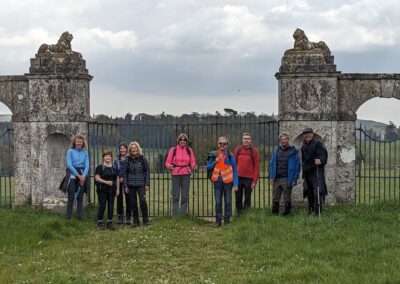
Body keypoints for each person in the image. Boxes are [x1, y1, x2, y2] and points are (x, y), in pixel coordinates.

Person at [207, 136, 238, 227]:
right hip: (217, 182)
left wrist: (236, 183)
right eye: (220, 143)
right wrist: (214, 162)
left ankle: (227, 220)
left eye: (224, 143)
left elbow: (235, 170)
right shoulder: (214, 154)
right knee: (218, 202)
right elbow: (208, 167)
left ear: (227, 145)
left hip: (228, 182)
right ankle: (218, 221)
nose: (222, 145)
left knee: (228, 202)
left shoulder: (230, 155)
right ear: (218, 144)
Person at [165, 133, 197, 216]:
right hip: (175, 173)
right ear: (178, 140)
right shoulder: (173, 150)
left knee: (185, 195)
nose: (182, 141)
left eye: (184, 140)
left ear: (186, 141)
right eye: (181, 139)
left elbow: (192, 161)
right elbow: (167, 162)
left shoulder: (189, 150)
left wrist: (193, 166)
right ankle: (175, 214)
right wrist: (169, 166)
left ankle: (182, 214)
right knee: (175, 195)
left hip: (186, 173)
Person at [269, 134, 301, 215]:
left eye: (285, 139)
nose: (283, 141)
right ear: (280, 141)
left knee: (287, 198)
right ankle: (274, 213)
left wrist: (294, 179)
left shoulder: (293, 152)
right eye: (282, 139)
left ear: (288, 140)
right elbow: (271, 164)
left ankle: (287, 213)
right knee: (275, 197)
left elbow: (297, 167)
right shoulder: (276, 151)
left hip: (287, 178)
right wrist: (271, 176)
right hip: (276, 178)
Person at [301, 128, 328, 215]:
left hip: (316, 172)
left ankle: (317, 212)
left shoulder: (317, 144)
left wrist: (320, 160)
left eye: (309, 133)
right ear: (303, 136)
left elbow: (323, 154)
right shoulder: (303, 146)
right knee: (309, 192)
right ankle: (311, 210)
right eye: (305, 134)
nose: (307, 135)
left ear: (312, 134)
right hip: (307, 173)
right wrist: (303, 173)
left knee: (317, 192)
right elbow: (303, 160)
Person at [123, 141, 150, 227]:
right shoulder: (127, 159)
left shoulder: (143, 159)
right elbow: (124, 173)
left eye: (135, 148)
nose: (133, 149)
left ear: (138, 149)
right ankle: (135, 221)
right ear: (130, 150)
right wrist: (125, 185)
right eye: (132, 148)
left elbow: (147, 171)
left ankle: (146, 220)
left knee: (142, 201)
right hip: (130, 184)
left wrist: (147, 184)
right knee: (133, 203)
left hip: (141, 184)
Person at [234, 132, 260, 215]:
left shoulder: (254, 151)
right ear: (242, 140)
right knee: (238, 198)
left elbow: (256, 166)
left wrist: (254, 181)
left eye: (248, 139)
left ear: (250, 140)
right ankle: (239, 215)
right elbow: (234, 165)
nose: (246, 140)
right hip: (238, 178)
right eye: (245, 139)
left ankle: (246, 215)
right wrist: (234, 180)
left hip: (249, 178)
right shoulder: (237, 150)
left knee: (247, 198)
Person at [66, 134, 89, 219]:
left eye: (80, 141)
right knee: (71, 196)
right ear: (75, 142)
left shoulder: (85, 153)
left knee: (80, 197)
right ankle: (69, 216)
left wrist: (83, 176)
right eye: (77, 141)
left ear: (83, 142)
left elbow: (87, 165)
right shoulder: (70, 151)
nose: (79, 142)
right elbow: (69, 164)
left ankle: (79, 216)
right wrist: (78, 176)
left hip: (82, 175)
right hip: (73, 174)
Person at [95, 150, 119, 230]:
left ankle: (109, 222)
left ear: (111, 157)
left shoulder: (114, 167)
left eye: (109, 156)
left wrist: (118, 189)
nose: (108, 157)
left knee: (111, 206)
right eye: (106, 156)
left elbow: (117, 178)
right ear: (103, 157)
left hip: (112, 190)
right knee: (102, 205)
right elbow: (97, 178)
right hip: (102, 190)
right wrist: (106, 182)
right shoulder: (100, 167)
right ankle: (100, 221)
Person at [113, 142, 130, 225]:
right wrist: (118, 178)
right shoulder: (116, 160)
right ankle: (120, 216)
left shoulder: (129, 159)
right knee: (119, 199)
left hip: (128, 181)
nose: (122, 150)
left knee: (128, 199)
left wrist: (125, 178)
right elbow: (114, 170)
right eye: (121, 148)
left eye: (124, 148)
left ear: (127, 149)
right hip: (118, 181)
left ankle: (128, 216)